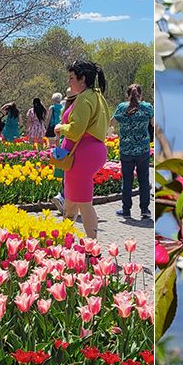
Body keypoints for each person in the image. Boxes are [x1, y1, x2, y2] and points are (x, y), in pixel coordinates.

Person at [56, 61, 112, 238]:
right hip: (91, 152)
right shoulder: (97, 95)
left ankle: (91, 247)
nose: (68, 82)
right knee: (71, 201)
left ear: (83, 79)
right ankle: (63, 239)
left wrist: (60, 127)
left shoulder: (84, 98)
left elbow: (75, 130)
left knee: (84, 203)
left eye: (72, 78)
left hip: (81, 156)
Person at [115, 82, 154, 221]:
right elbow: (154, 124)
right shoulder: (147, 107)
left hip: (126, 150)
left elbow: (112, 122)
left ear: (127, 95)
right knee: (144, 180)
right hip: (142, 149)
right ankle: (145, 210)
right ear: (141, 94)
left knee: (127, 181)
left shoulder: (121, 108)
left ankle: (126, 211)